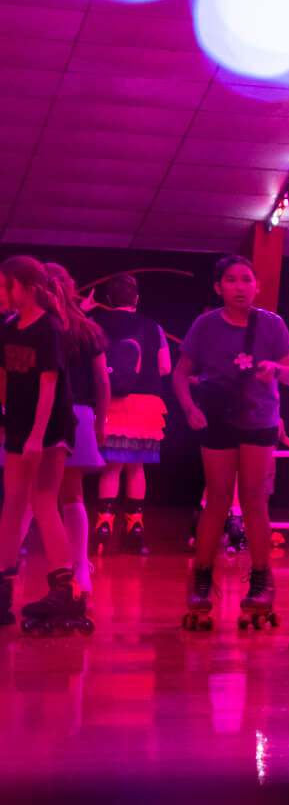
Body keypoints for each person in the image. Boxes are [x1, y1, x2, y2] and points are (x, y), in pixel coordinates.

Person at [172, 254, 289, 631]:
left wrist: (274, 369)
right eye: (232, 280)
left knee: (255, 498)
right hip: (217, 417)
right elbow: (181, 374)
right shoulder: (205, 325)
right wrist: (190, 408)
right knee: (218, 497)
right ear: (218, 287)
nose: (240, 287)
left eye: (246, 280)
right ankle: (202, 579)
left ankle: (261, 580)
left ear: (257, 285)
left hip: (259, 420)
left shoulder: (272, 324)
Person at [0, 256, 82, 634]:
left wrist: (36, 435)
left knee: (43, 499)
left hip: (49, 427)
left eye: (7, 286)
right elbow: (3, 378)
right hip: (17, 424)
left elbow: (49, 386)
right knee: (13, 500)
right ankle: (3, 587)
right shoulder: (9, 327)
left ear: (29, 288)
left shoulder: (48, 329)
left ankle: (65, 590)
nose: (3, 293)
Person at [34, 266, 107, 601]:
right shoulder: (85, 328)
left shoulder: (36, 328)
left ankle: (10, 570)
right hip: (79, 415)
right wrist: (100, 422)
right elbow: (102, 381)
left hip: (42, 415)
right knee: (71, 494)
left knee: (31, 495)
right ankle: (79, 568)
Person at [89, 272, 170, 555]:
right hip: (146, 404)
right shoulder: (152, 327)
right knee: (137, 467)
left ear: (109, 299)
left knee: (111, 467)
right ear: (136, 298)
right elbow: (165, 368)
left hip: (110, 401)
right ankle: (135, 528)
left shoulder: (96, 323)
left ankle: (104, 524)